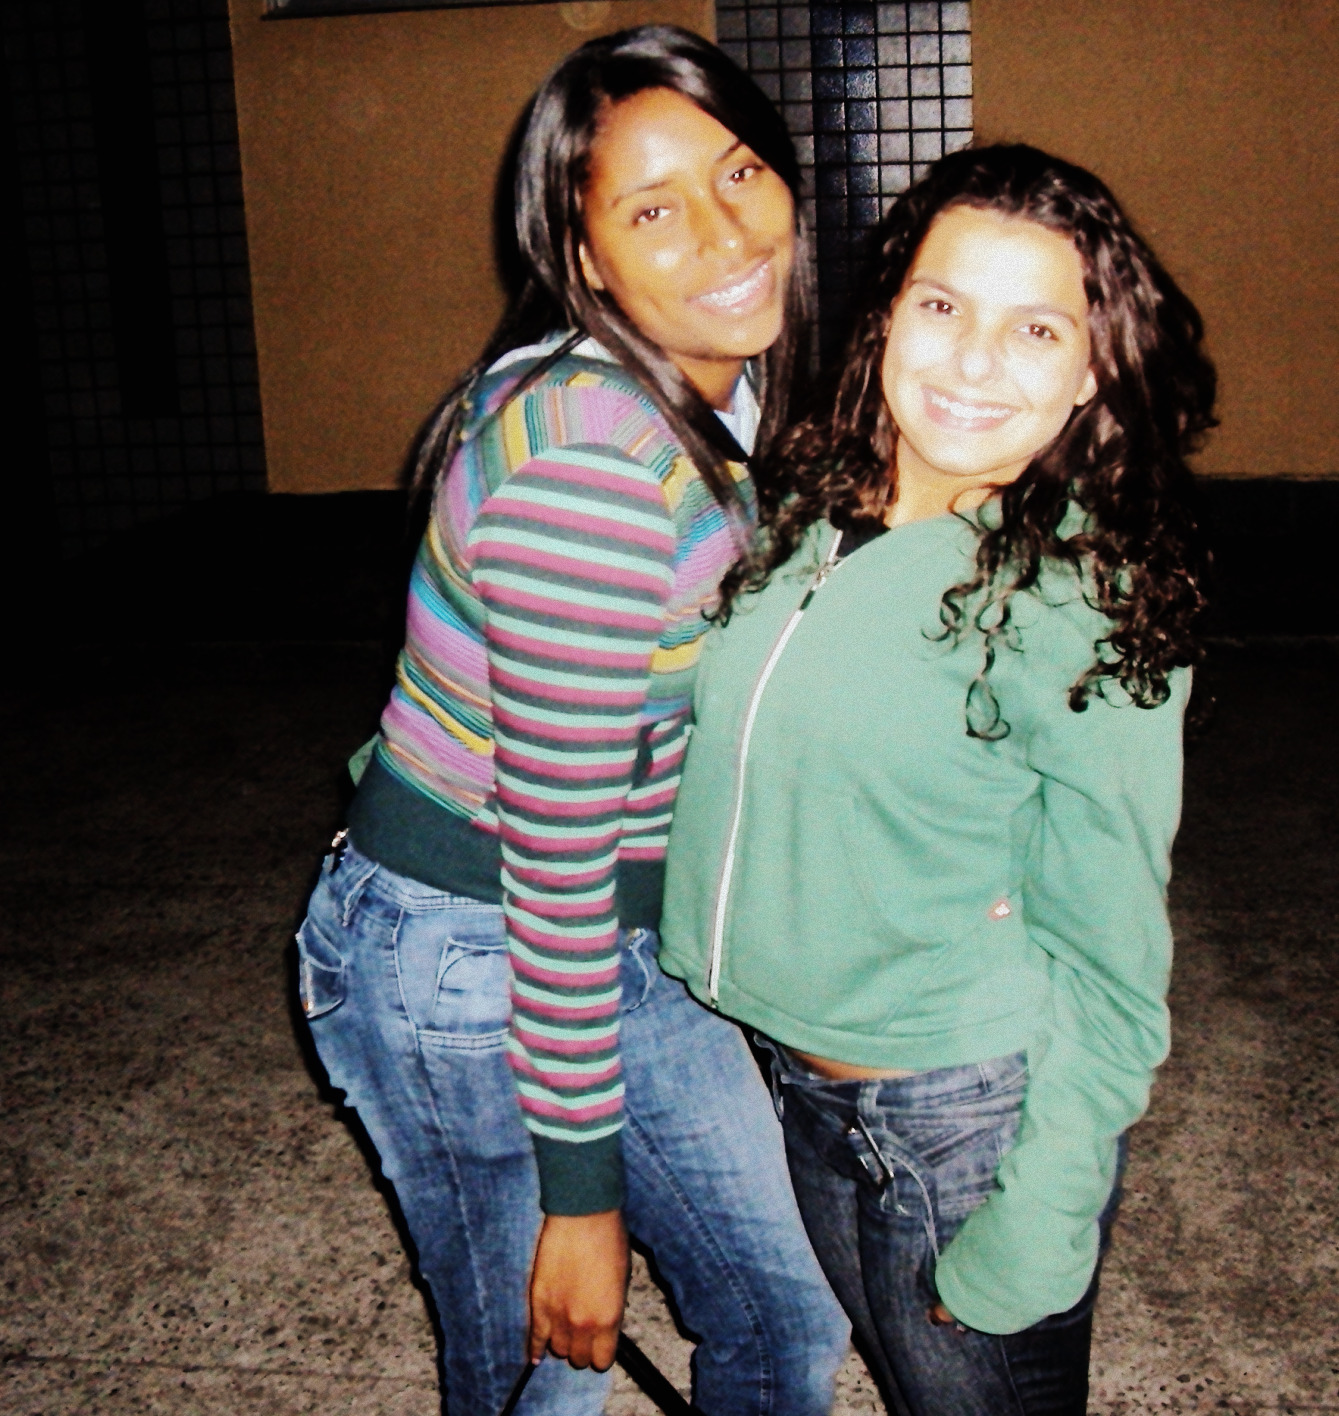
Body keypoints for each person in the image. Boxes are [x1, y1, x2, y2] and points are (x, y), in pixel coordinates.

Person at [293, 24, 849, 1416]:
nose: (723, 231)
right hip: (473, 952)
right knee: (544, 1378)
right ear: (585, 259)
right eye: (652, 211)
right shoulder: (592, 470)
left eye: (738, 172)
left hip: (611, 932)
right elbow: (551, 855)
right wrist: (581, 1199)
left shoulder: (726, 393)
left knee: (783, 1316)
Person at [659, 143, 1217, 1415]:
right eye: (943, 305)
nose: (971, 362)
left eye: (1035, 329)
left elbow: (1114, 962)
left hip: (953, 1119)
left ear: (1092, 369)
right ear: (889, 315)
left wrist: (1044, 1218)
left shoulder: (1079, 597)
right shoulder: (808, 507)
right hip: (793, 1085)